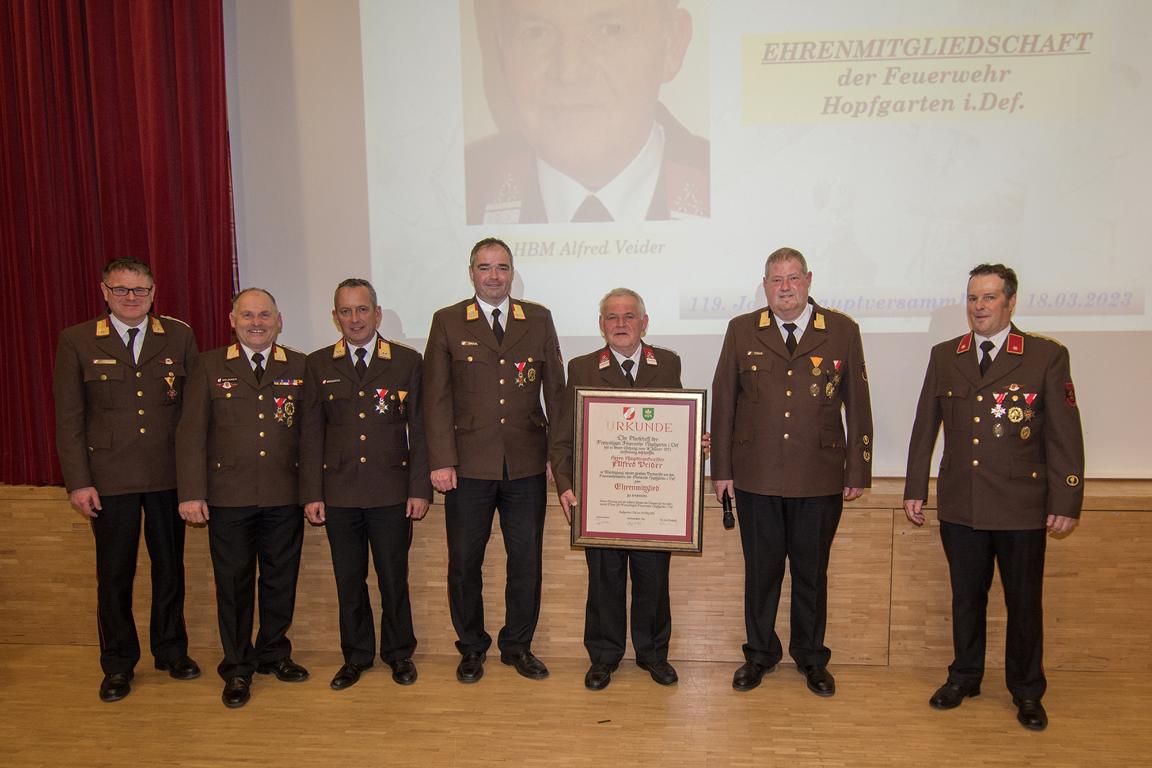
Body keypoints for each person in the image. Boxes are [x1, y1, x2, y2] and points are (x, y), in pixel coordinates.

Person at [903, 264, 1084, 732]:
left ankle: (1026, 690)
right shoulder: (946, 355)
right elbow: (926, 425)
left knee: (1024, 602)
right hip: (962, 501)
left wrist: (1065, 500)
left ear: (1010, 302)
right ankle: (964, 676)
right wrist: (915, 486)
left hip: (1021, 504)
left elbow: (1065, 435)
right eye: (972, 298)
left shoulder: (1044, 356)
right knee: (966, 597)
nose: (978, 307)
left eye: (987, 298)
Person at [711, 247, 873, 697]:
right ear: (765, 286)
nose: (785, 287)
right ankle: (759, 655)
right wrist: (720, 468)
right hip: (756, 475)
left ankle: (811, 657)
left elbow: (857, 404)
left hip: (818, 475)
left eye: (793, 278)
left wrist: (857, 468)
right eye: (776, 279)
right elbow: (724, 401)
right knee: (761, 574)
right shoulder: (742, 330)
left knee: (811, 572)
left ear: (808, 281)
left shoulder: (841, 330)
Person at [53, 257, 201, 702]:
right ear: (104, 292)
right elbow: (69, 419)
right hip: (109, 479)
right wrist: (78, 482)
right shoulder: (77, 340)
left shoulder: (178, 335)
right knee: (114, 574)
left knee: (169, 569)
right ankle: (118, 663)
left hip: (166, 476)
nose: (131, 298)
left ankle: (171, 650)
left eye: (140, 290)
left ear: (154, 293)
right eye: (121, 290)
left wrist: (193, 481)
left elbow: (193, 415)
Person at [423, 237, 565, 682]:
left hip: (525, 463)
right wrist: (442, 459)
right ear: (471, 273)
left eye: (502, 267)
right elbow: (436, 397)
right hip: (467, 466)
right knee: (465, 561)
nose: (494, 276)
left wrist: (557, 460)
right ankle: (471, 647)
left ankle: (517, 645)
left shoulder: (538, 319)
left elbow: (556, 396)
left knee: (526, 561)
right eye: (485, 267)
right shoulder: (447, 321)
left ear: (512, 272)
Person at [551, 288, 695, 690]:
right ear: (601, 325)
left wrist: (694, 440)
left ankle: (652, 654)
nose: (620, 324)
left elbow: (673, 425)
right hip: (601, 499)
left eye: (629, 316)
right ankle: (604, 656)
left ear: (644, 323)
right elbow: (562, 434)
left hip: (652, 500)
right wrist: (564, 484)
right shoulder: (581, 368)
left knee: (653, 579)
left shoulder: (666, 363)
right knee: (605, 580)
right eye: (611, 317)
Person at [176, 288, 309, 708]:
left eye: (265, 315)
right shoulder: (209, 365)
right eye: (247, 315)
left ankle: (273, 652)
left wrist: (310, 494)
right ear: (232, 320)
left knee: (279, 580)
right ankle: (236, 667)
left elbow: (310, 438)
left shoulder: (300, 366)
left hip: (283, 495)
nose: (257, 322)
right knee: (233, 586)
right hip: (228, 498)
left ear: (279, 320)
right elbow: (191, 433)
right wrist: (192, 492)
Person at [300, 279, 432, 690]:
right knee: (348, 578)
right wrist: (312, 493)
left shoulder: (407, 361)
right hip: (339, 493)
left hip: (391, 491)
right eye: (345, 311)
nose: (354, 319)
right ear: (335, 317)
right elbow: (310, 433)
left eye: (361, 310)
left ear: (376, 313)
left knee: (394, 576)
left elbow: (421, 430)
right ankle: (356, 655)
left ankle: (398, 653)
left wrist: (419, 488)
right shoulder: (319, 363)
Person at [465, 0, 709, 224]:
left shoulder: (734, 185)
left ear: (672, 44)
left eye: (609, 29)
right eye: (536, 32)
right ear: (502, 48)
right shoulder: (456, 194)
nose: (569, 72)